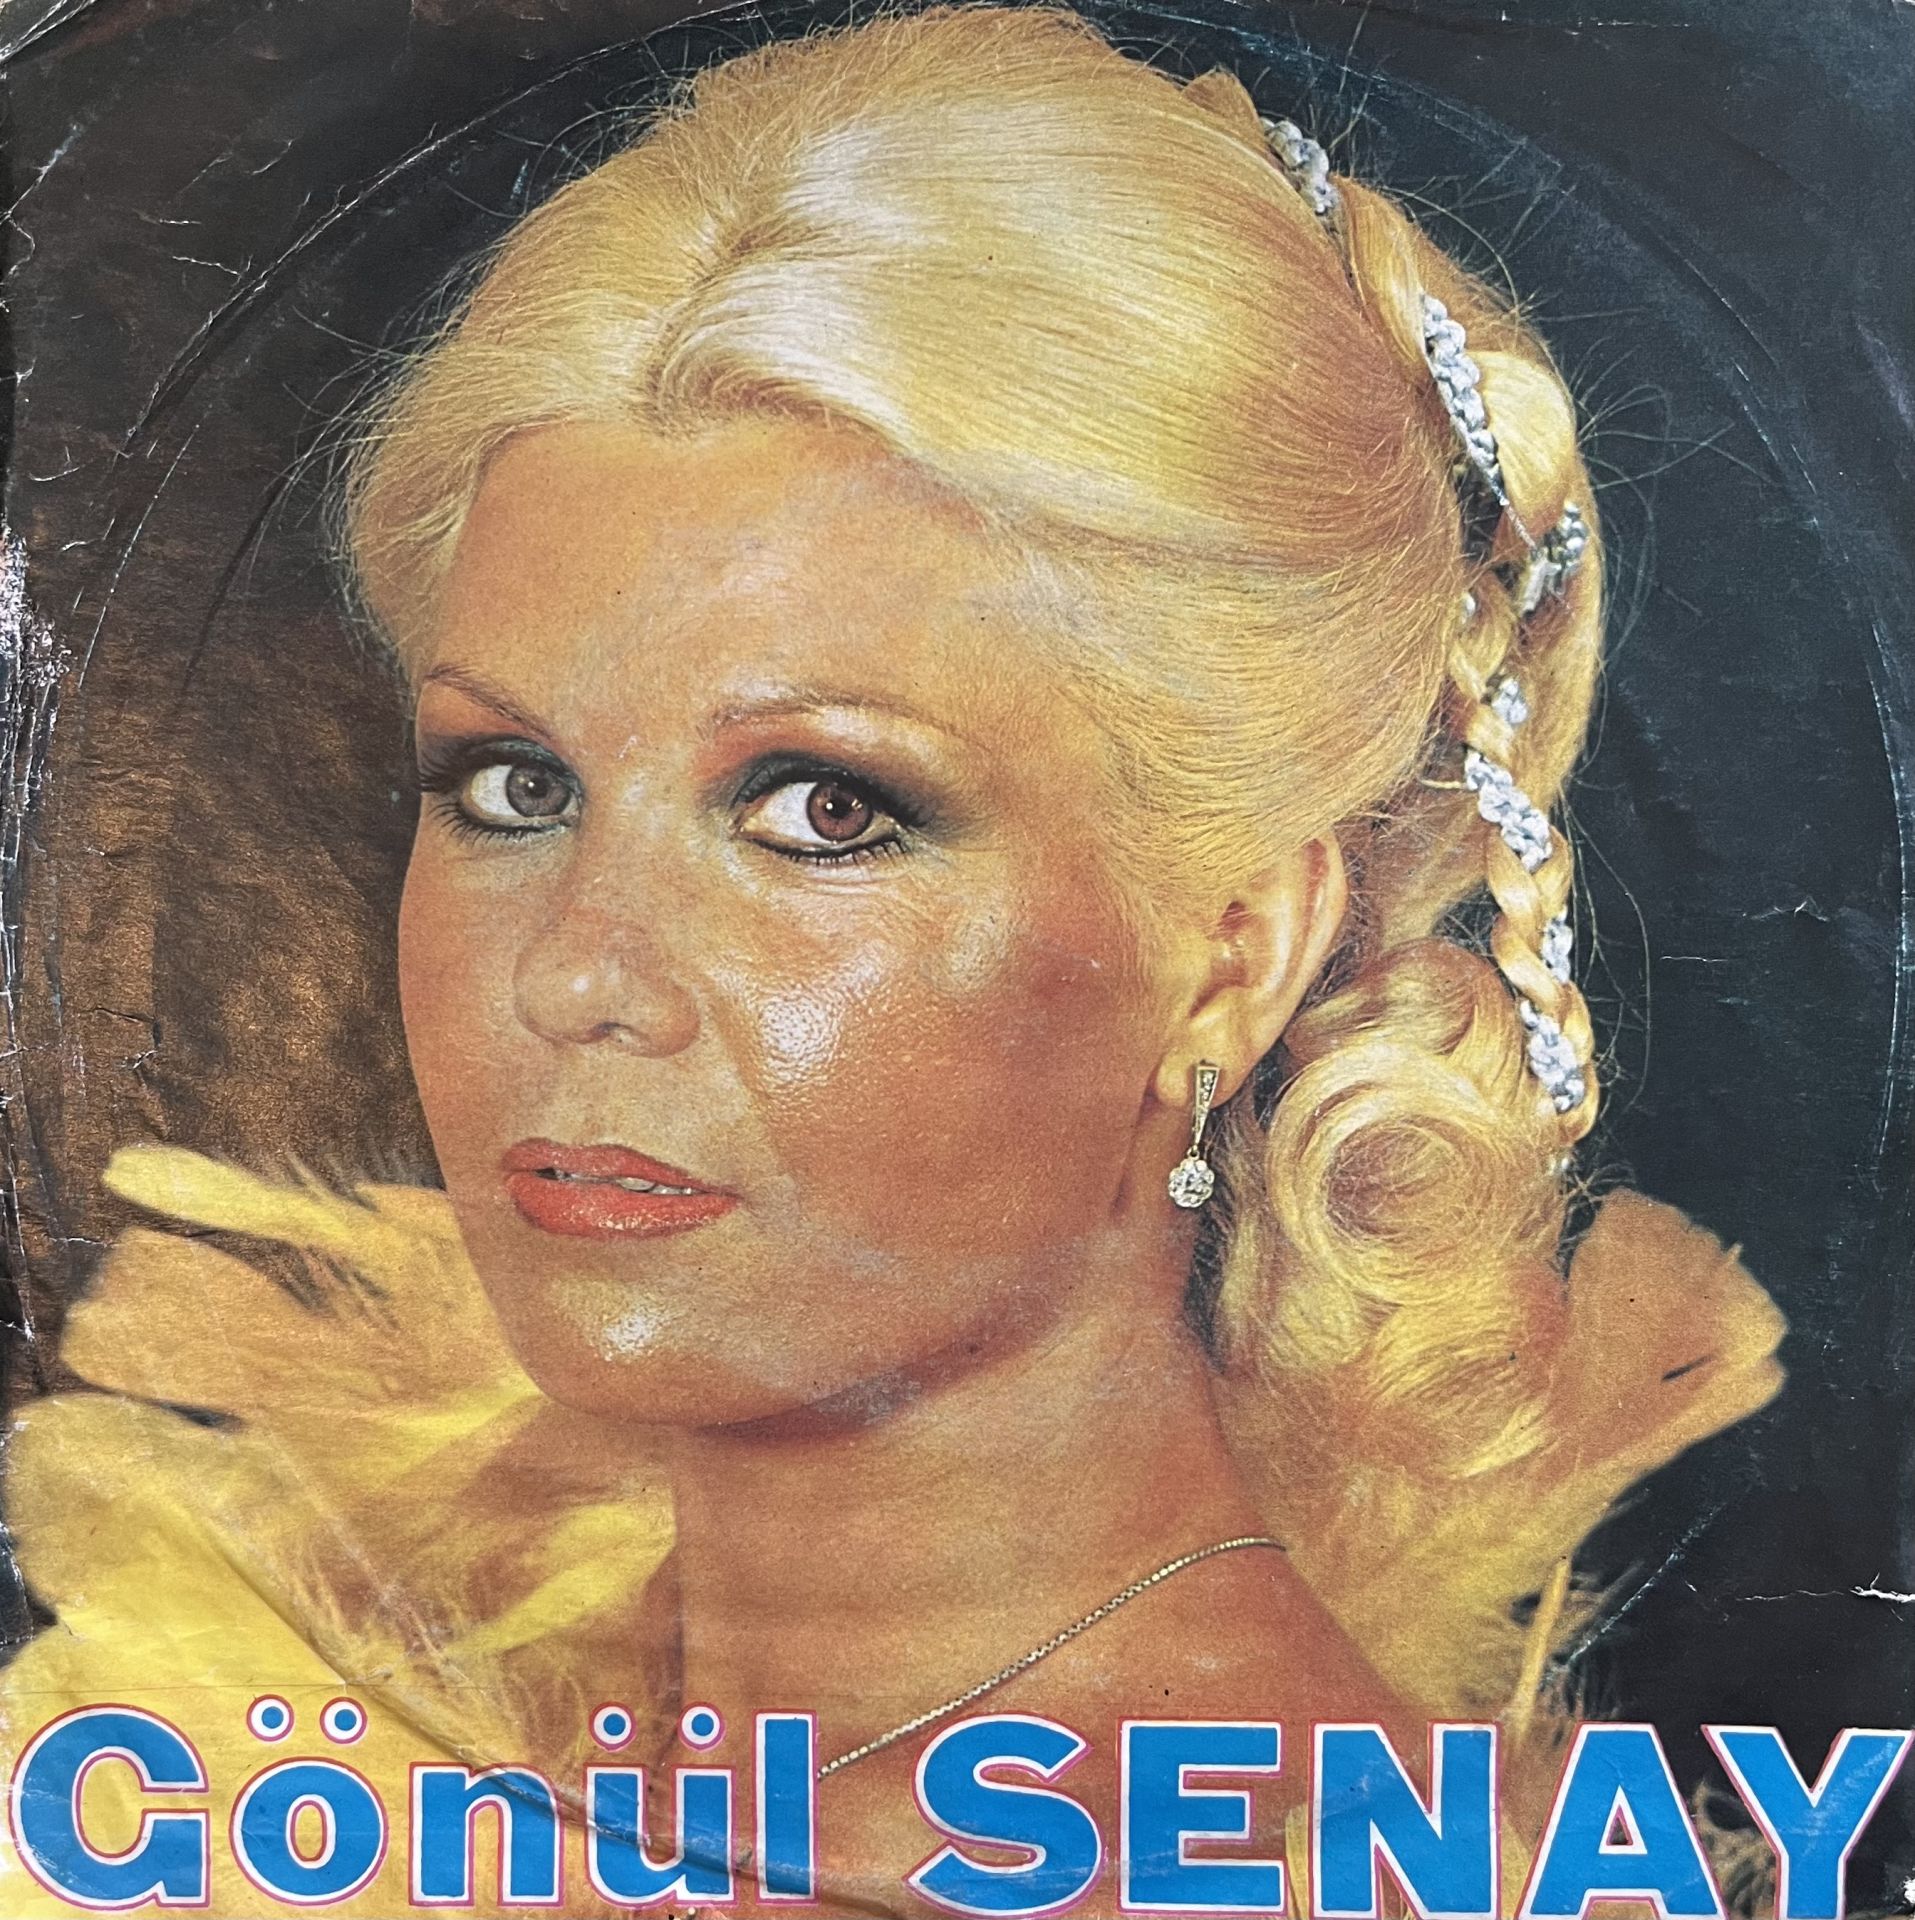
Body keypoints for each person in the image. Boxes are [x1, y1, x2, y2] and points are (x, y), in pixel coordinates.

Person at [0, 7, 1787, 1914]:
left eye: (823, 809)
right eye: (515, 786)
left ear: (1229, 956)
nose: (578, 979)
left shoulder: (1360, 1876)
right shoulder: (298, 1761)